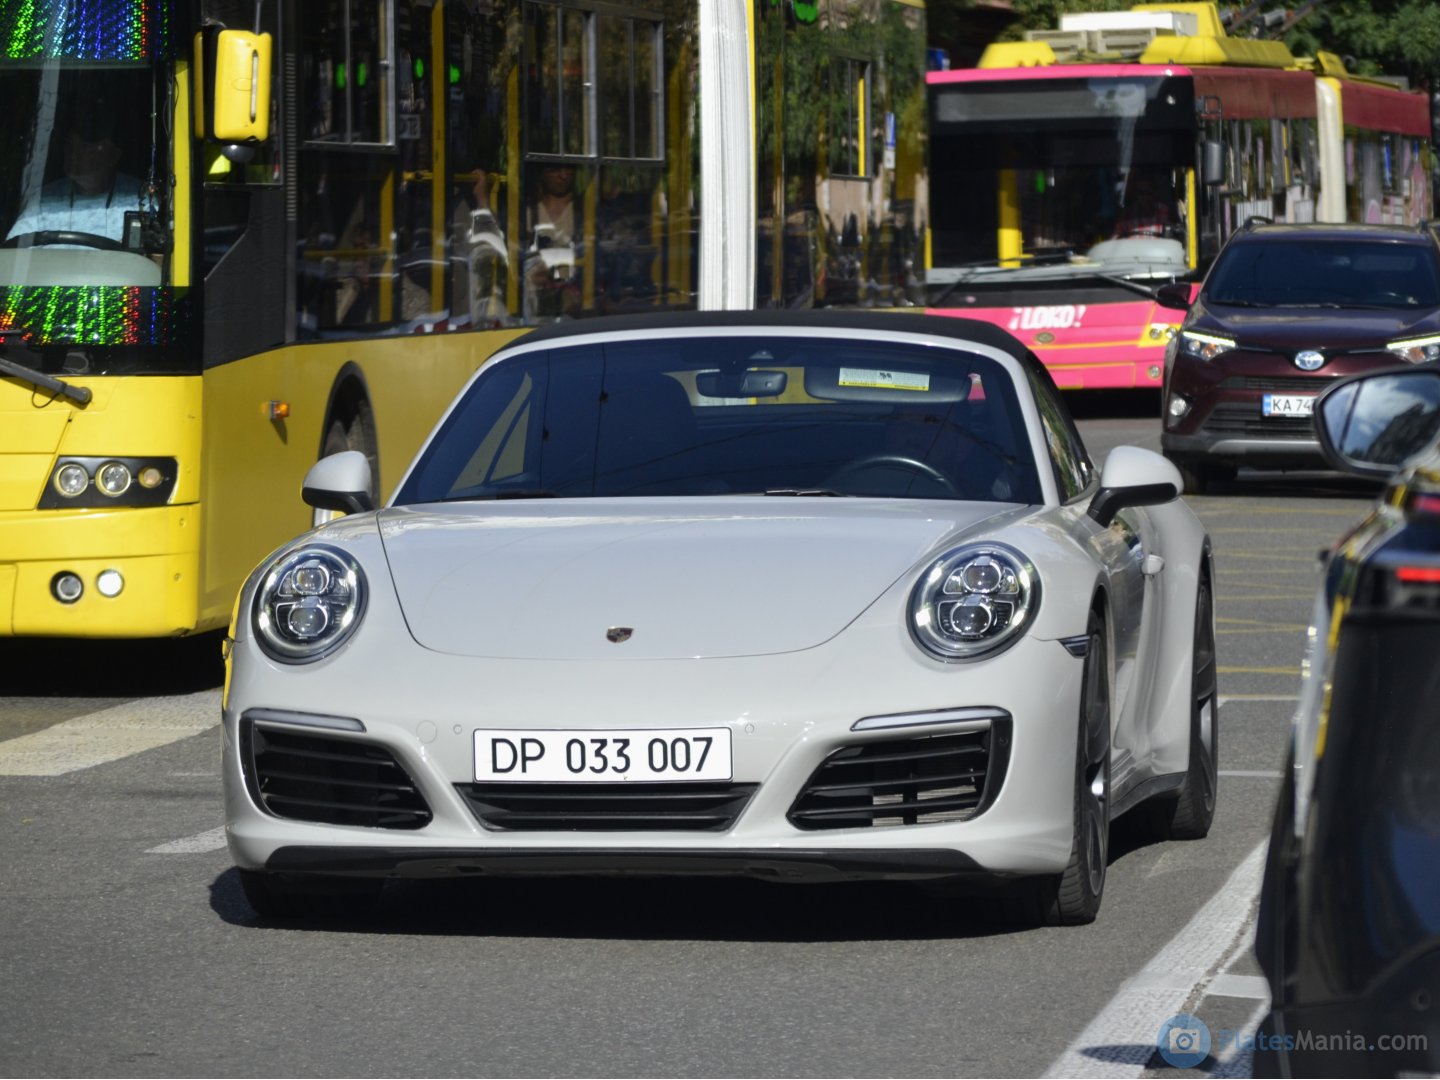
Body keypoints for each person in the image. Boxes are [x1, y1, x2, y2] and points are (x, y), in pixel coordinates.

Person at [7, 119, 142, 243]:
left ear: (113, 155)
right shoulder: (44, 199)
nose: (73, 153)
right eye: (70, 145)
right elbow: (14, 250)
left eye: (85, 146)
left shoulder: (140, 199)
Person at [523, 164, 582, 320]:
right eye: (556, 169)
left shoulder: (584, 210)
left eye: (568, 169)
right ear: (542, 173)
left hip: (576, 301)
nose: (563, 176)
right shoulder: (528, 211)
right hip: (537, 301)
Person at [1114, 170, 1176, 239]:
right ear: (1136, 195)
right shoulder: (1127, 215)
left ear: (1155, 194)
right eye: (1141, 193)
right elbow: (1116, 240)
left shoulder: (1165, 211)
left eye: (1148, 193)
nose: (1145, 197)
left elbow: (1172, 237)